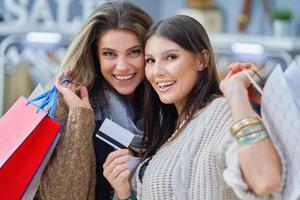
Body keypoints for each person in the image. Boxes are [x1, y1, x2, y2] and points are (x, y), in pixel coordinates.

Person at [103, 15, 283, 200]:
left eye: (171, 57)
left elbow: (265, 180)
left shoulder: (221, 113)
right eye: (150, 60)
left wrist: (235, 91)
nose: (157, 71)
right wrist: (125, 193)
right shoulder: (169, 126)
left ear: (202, 60)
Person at [35, 1, 153, 200]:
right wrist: (80, 119)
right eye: (109, 54)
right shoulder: (69, 102)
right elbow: (62, 196)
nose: (122, 66)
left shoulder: (166, 107)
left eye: (134, 52)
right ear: (95, 55)